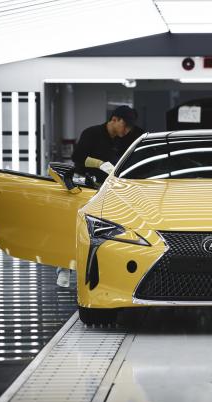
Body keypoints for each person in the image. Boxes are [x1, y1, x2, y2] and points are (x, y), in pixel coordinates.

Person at [56, 106, 145, 287]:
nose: (126, 130)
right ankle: (65, 267)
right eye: (125, 125)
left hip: (109, 191)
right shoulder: (92, 133)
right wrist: (99, 164)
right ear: (114, 119)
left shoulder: (123, 140)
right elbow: (78, 157)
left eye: (129, 128)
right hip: (85, 188)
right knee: (76, 227)